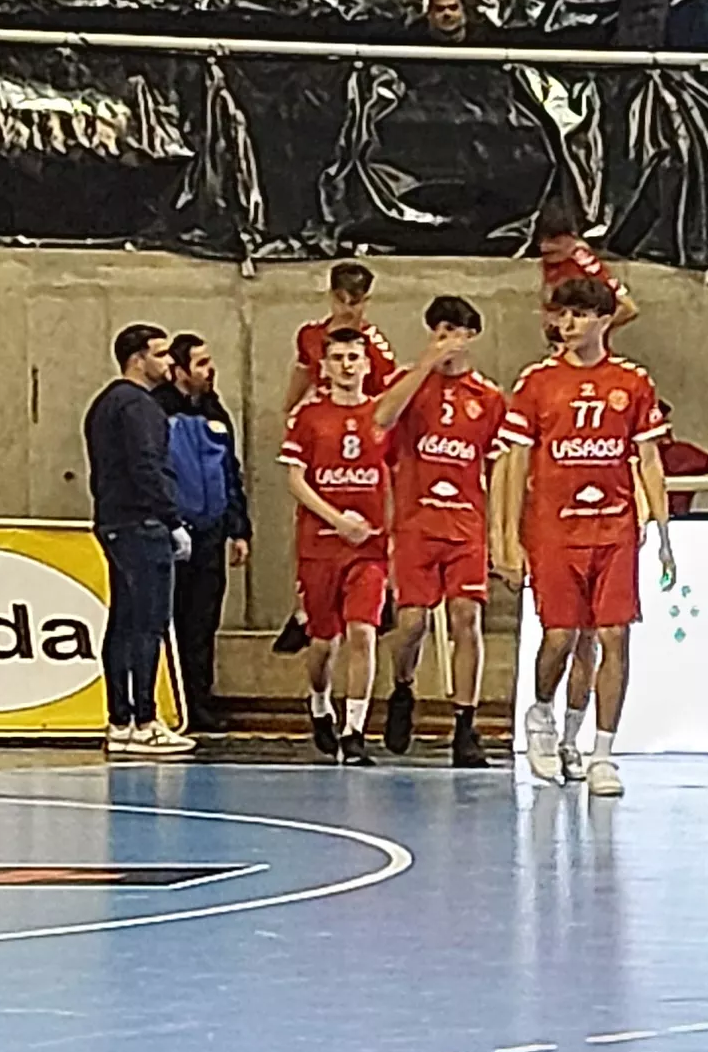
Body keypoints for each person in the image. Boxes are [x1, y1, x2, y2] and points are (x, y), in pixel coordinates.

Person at [490, 275, 670, 795]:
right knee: (562, 637)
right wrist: (506, 537)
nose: (566, 325)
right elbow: (512, 461)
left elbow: (649, 459)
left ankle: (601, 752)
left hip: (614, 526)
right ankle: (542, 713)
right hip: (553, 529)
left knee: (613, 635)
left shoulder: (632, 383)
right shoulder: (537, 383)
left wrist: (659, 527)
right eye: (560, 315)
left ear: (604, 320)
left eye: (579, 315)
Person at [378, 297, 505, 772]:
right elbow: (383, 418)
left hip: (465, 524)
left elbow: (501, 465)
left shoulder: (488, 399)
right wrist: (424, 366)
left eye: (457, 330)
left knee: (466, 618)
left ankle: (465, 724)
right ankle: (403, 687)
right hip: (416, 525)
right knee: (411, 624)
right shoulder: (410, 386)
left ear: (472, 335)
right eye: (440, 330)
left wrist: (502, 533)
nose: (447, 339)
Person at [281, 328, 399, 765]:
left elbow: (396, 475)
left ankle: (355, 731)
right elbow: (296, 480)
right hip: (321, 544)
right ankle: (318, 701)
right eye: (338, 358)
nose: (348, 365)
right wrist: (336, 520)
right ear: (325, 367)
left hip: (367, 547)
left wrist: (384, 529)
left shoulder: (381, 415)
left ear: (367, 365)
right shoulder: (308, 416)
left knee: (363, 631)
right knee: (322, 642)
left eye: (355, 357)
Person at [87, 326, 188, 756]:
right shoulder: (139, 407)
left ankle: (120, 719)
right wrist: (171, 518)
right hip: (142, 525)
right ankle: (145, 720)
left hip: (113, 522)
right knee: (149, 622)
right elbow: (146, 466)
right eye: (161, 354)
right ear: (137, 359)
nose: (169, 362)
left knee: (123, 622)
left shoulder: (103, 405)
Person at [158, 338, 250, 739]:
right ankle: (168, 702)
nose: (209, 370)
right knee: (171, 622)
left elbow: (231, 471)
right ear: (179, 370)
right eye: (201, 363)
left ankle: (200, 700)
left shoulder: (215, 412)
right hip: (174, 534)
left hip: (212, 533)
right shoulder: (156, 410)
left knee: (203, 623)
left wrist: (238, 528)